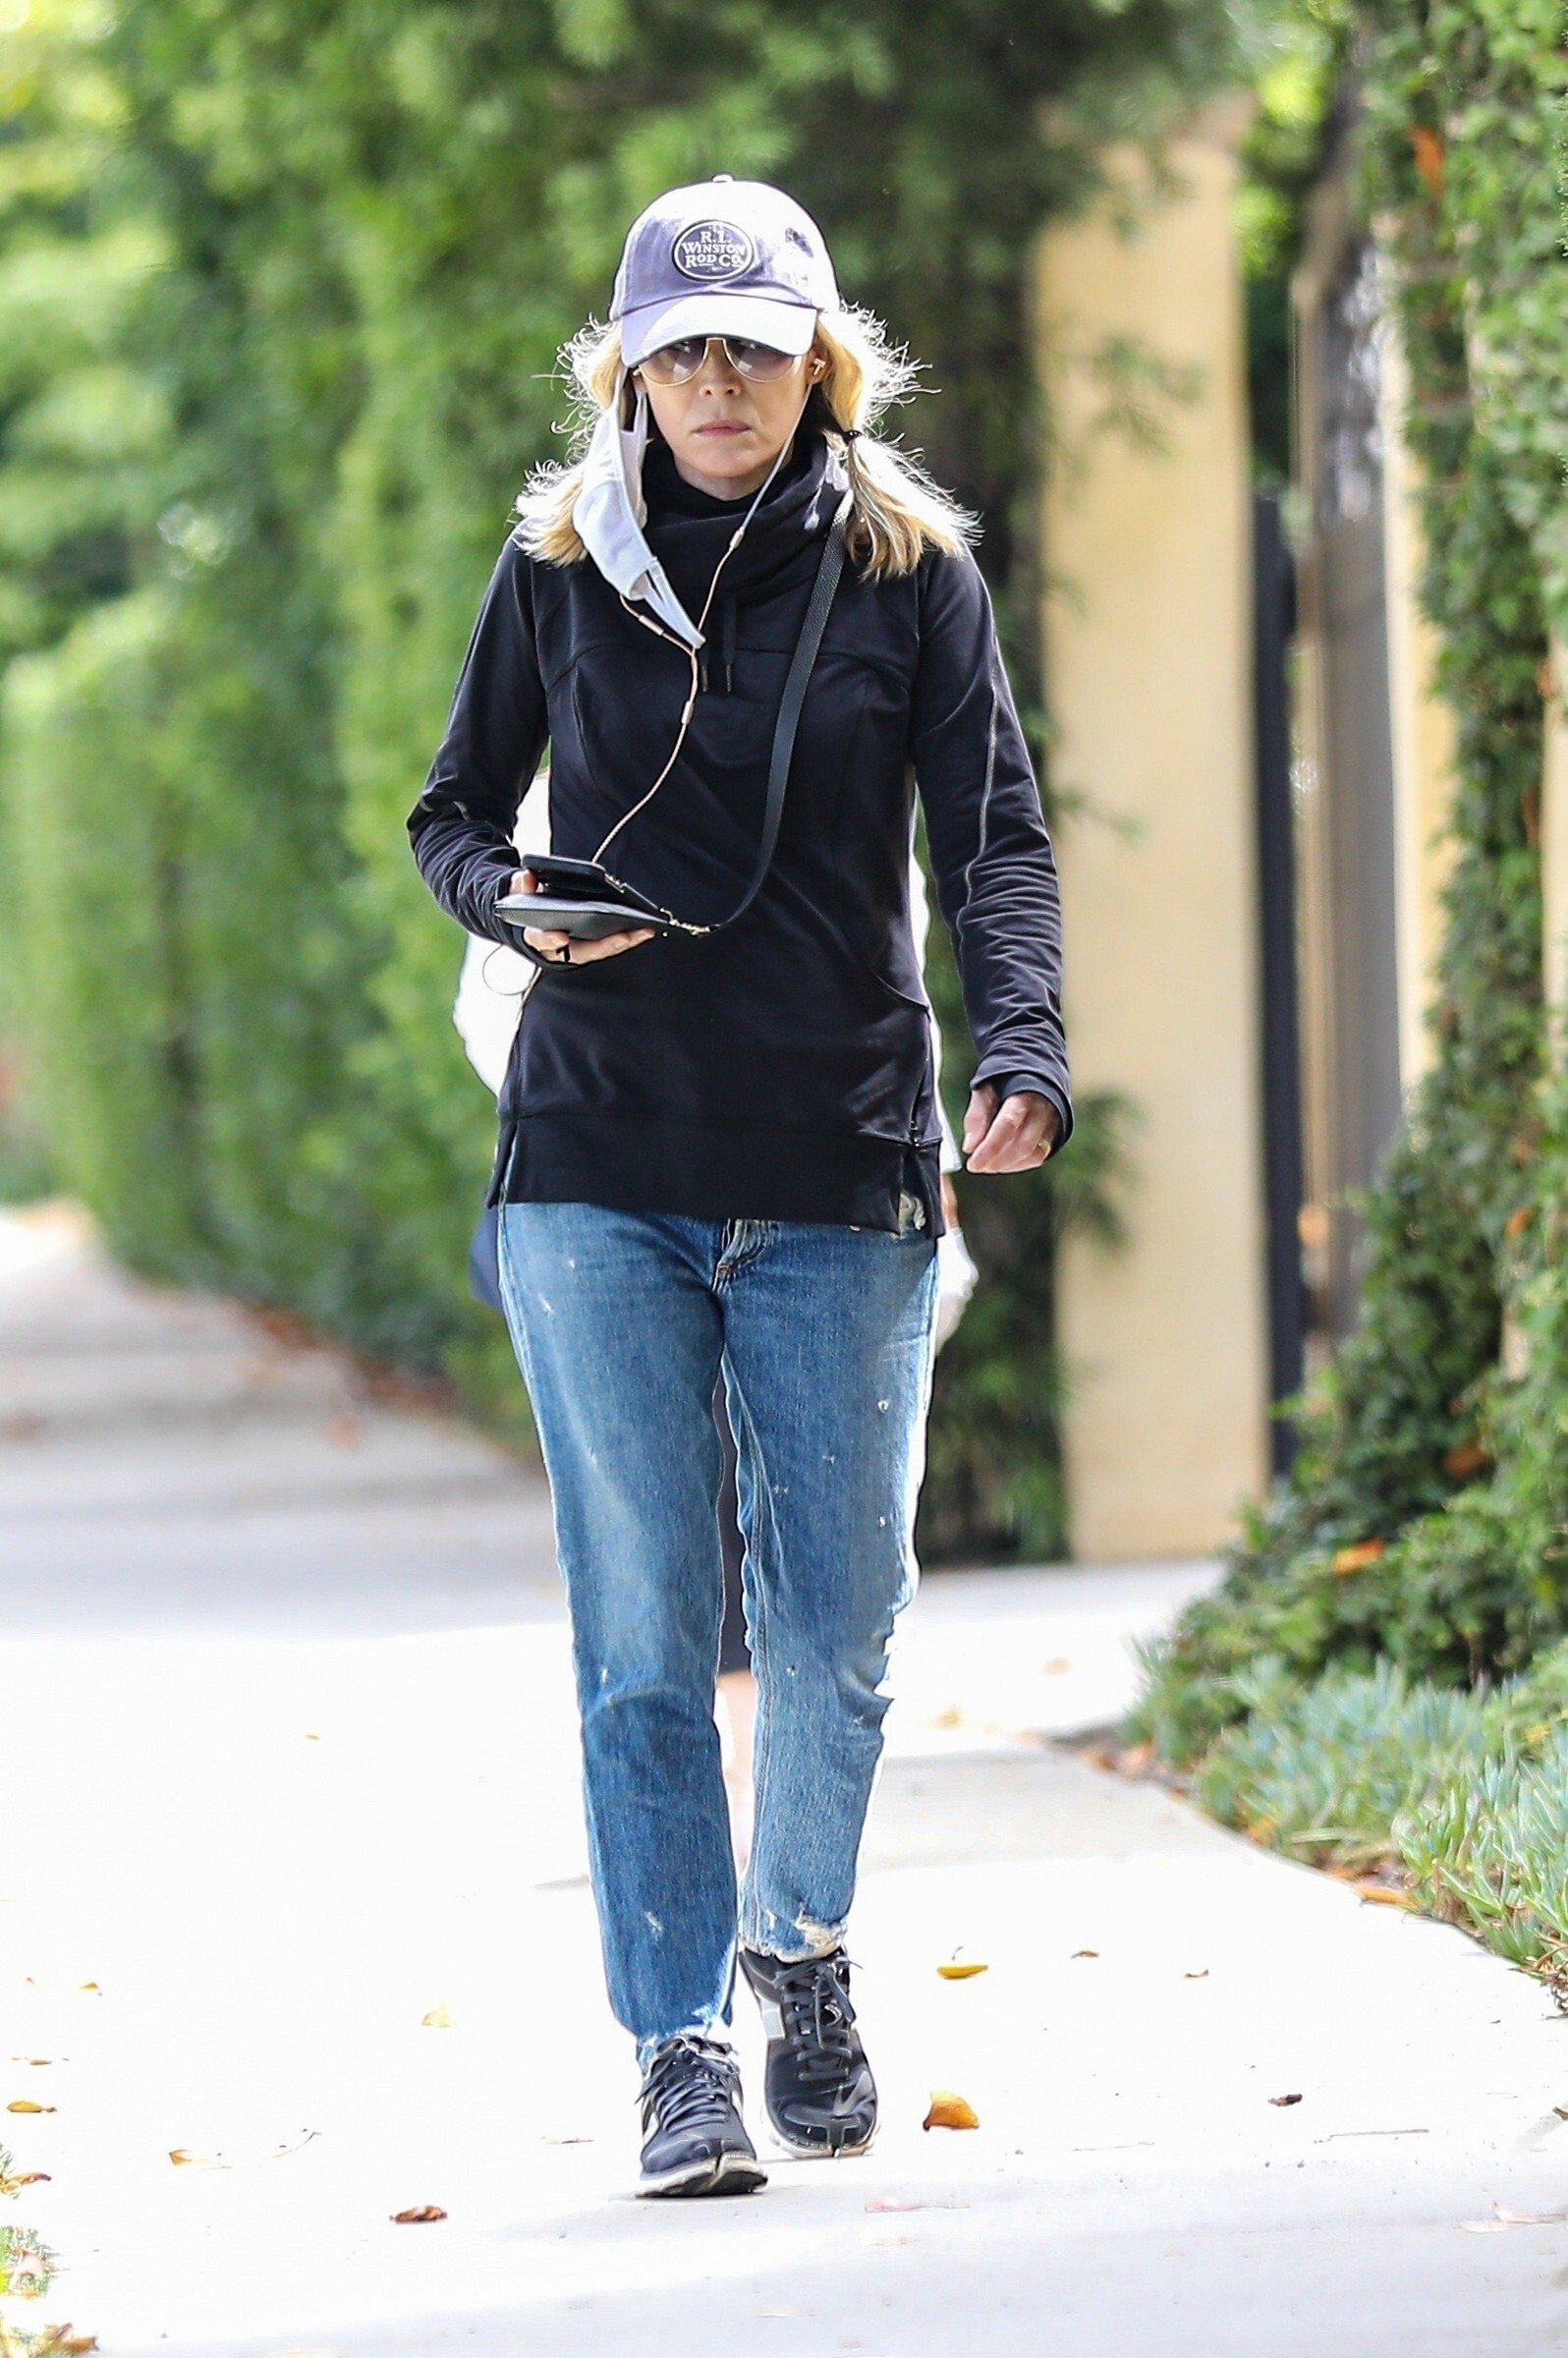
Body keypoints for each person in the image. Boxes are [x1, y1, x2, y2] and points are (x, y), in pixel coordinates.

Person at [410, 175, 1071, 2200]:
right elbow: (450, 814)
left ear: (820, 368)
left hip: (839, 1154)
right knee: (643, 1625)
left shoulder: (910, 575)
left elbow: (993, 840)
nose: (717, 382)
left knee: (841, 1618)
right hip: (596, 1159)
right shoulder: (556, 568)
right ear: (629, 373)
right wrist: (514, 908)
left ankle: (798, 1946)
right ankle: (678, 2043)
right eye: (682, 350)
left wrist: (1024, 1045)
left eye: (755, 351)